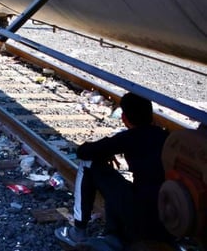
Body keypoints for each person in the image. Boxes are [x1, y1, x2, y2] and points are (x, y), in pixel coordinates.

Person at [54, 92, 172, 250]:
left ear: (124, 118)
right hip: (170, 216)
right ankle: (116, 234)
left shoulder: (129, 137)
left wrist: (106, 153)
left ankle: (78, 231)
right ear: (151, 116)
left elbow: (84, 152)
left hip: (140, 214)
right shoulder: (167, 137)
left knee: (88, 163)